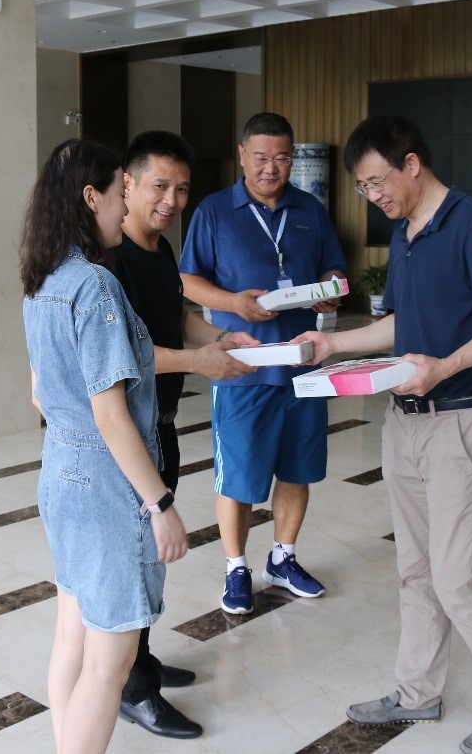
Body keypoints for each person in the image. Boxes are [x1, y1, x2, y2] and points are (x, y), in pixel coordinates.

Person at [293, 115, 472, 754]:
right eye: (362, 187)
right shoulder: (404, 234)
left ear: (412, 164)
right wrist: (332, 344)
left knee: (456, 578)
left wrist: (445, 366)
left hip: (459, 421)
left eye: (378, 181)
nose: (373, 195)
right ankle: (417, 692)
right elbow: (400, 324)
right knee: (415, 569)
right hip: (404, 422)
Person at [20, 139, 189, 754]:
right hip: (105, 491)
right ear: (91, 197)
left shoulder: (43, 279)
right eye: (122, 194)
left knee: (71, 640)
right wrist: (160, 504)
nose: (126, 207)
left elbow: (40, 394)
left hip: (60, 474)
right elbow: (112, 417)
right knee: (108, 665)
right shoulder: (94, 286)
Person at [112, 130, 261, 739]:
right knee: (132, 562)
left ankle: (140, 661)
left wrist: (220, 339)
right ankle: (132, 691)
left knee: (150, 560)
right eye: (160, 186)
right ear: (127, 183)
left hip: (162, 427)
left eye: (181, 189)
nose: (171, 200)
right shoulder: (110, 258)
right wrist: (200, 362)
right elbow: (124, 352)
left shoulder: (158, 248)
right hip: (126, 436)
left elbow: (173, 316)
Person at [178, 112, 346, 615]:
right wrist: (233, 303)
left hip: (304, 365)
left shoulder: (310, 209)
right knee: (239, 475)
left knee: (298, 469)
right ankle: (236, 567)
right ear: (242, 155)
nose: (271, 168)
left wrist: (331, 289)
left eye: (282, 158)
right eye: (261, 158)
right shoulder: (213, 211)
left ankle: (283, 557)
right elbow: (187, 281)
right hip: (243, 367)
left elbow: (333, 267)